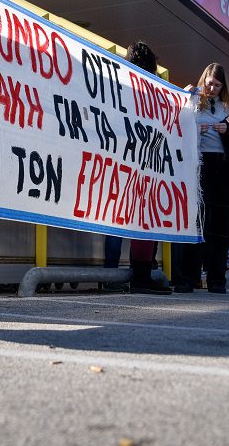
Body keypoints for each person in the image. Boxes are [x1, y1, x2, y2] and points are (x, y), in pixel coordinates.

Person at [103, 41, 172, 294]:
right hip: (145, 161)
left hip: (118, 158)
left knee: (115, 218)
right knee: (143, 219)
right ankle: (141, 275)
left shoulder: (117, 83)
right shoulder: (153, 89)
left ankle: (110, 276)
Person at [173, 63, 229, 294]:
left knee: (219, 227)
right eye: (209, 83)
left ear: (223, 87)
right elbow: (174, 124)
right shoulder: (191, 100)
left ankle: (216, 280)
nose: (211, 88)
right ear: (203, 80)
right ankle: (186, 279)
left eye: (217, 85)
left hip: (223, 168)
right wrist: (192, 128)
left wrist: (228, 130)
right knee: (194, 224)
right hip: (197, 166)